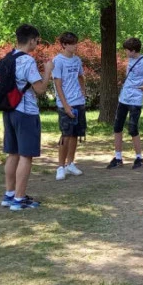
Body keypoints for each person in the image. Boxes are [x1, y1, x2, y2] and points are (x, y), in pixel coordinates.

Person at [1, 24, 54, 211]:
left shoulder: (8, 57)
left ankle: (9, 194)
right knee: (26, 155)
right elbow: (40, 89)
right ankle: (19, 198)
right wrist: (48, 71)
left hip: (9, 110)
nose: (37, 44)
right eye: (37, 41)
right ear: (31, 40)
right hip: (25, 112)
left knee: (13, 153)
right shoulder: (27, 60)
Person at [106, 37, 143, 170]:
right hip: (124, 98)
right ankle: (118, 158)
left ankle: (139, 158)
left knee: (132, 129)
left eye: (127, 50)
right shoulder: (131, 59)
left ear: (133, 51)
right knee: (117, 127)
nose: (125, 52)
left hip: (135, 100)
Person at [52, 32, 87, 181]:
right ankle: (60, 167)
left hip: (78, 102)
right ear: (64, 45)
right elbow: (58, 84)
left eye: (75, 43)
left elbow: (80, 76)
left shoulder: (77, 60)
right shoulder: (58, 61)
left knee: (75, 134)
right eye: (71, 43)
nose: (75, 46)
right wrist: (66, 106)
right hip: (65, 104)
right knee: (66, 135)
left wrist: (83, 93)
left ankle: (70, 164)